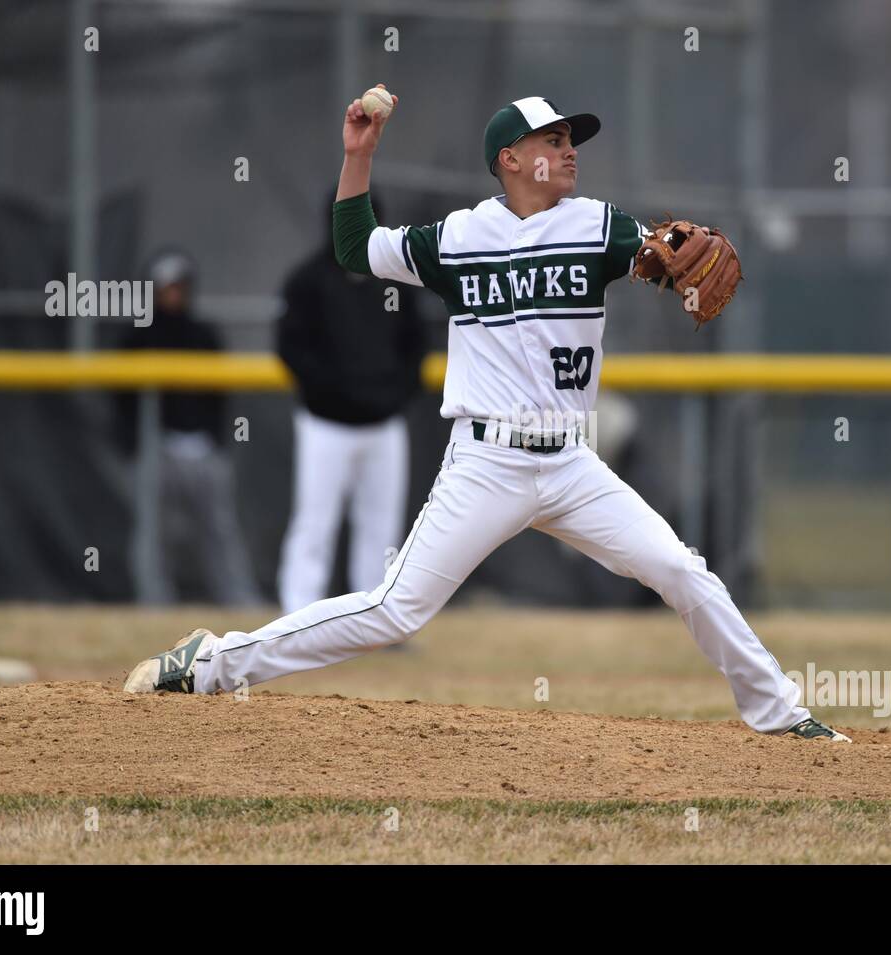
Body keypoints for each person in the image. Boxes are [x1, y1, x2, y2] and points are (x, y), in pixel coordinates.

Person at [126, 91, 849, 742]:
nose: (569, 150)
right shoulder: (458, 238)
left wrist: (673, 260)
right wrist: (359, 156)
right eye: (552, 139)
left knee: (680, 570)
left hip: (570, 463)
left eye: (572, 140)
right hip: (486, 461)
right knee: (395, 610)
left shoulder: (597, 226)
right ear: (510, 158)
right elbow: (354, 246)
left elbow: (663, 257)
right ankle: (214, 663)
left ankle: (780, 714)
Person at [275, 193, 426, 613]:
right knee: (315, 522)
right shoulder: (307, 280)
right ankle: (297, 612)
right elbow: (291, 350)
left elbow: (416, 348)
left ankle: (376, 616)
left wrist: (391, 396)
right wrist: (336, 393)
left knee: (382, 528)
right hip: (326, 424)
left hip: (383, 424)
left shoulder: (397, 281)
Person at [116, 249, 261, 606]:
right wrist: (133, 444)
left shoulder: (203, 335)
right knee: (152, 534)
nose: (173, 295)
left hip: (202, 448)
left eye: (178, 287)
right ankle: (154, 602)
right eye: (165, 288)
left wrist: (215, 438)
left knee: (219, 531)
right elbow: (121, 399)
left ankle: (238, 602)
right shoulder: (137, 337)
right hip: (157, 449)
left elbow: (219, 394)